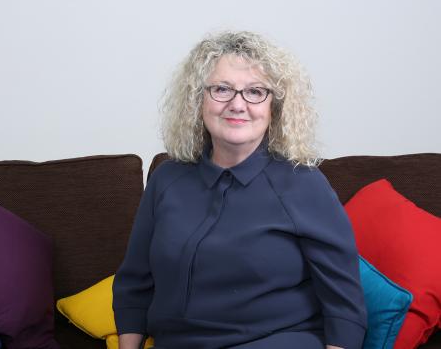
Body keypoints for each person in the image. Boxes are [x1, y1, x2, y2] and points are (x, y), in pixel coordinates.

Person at [113, 31, 367, 349]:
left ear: (274, 106)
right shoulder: (167, 179)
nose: (237, 104)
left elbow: (343, 304)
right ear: (198, 100)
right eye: (221, 89)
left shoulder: (303, 183)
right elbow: (134, 285)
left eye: (255, 92)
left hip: (277, 341)